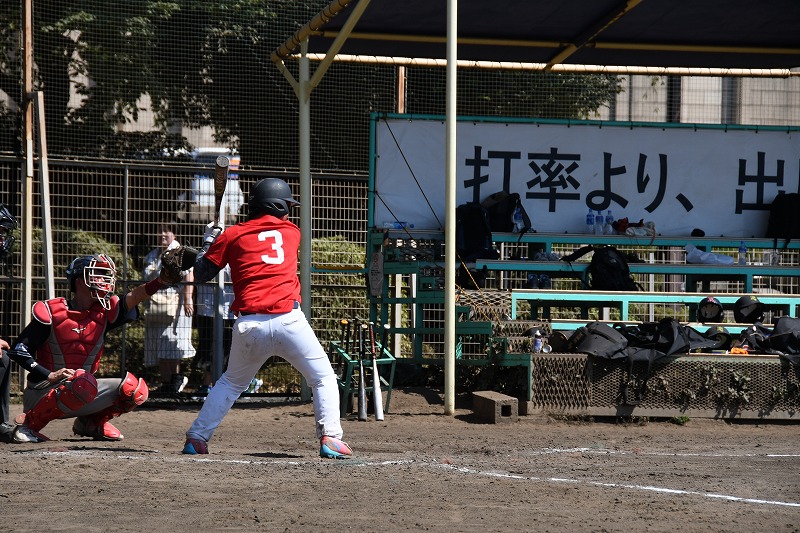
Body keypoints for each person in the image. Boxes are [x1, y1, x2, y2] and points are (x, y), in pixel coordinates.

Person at [181, 178, 352, 459]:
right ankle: (331, 438)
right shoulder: (292, 232)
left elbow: (201, 273)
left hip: (249, 325)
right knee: (322, 378)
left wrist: (209, 242)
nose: (289, 212)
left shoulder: (232, 235)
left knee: (230, 383)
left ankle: (197, 438)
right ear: (277, 206)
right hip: (289, 322)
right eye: (287, 206)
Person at [7, 253, 174, 443]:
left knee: (135, 389)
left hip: (82, 389)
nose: (104, 280)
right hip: (42, 391)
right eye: (98, 274)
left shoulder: (104, 312)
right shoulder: (52, 312)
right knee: (82, 382)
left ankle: (90, 423)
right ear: (79, 281)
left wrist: (160, 281)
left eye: (105, 275)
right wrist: (49, 374)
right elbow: (18, 350)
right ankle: (29, 425)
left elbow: (135, 296)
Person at [142, 223, 195, 393]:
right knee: (159, 344)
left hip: (175, 304)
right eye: (160, 231)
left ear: (174, 234)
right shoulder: (152, 255)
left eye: (167, 230)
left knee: (172, 343)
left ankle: (176, 379)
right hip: (155, 305)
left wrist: (188, 298)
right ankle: (166, 383)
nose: (163, 234)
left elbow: (189, 275)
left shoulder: (180, 252)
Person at [192, 264, 236, 393]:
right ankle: (207, 385)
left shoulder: (234, 258)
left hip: (229, 312)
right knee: (208, 349)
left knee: (229, 351)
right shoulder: (203, 256)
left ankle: (229, 386)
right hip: (206, 310)